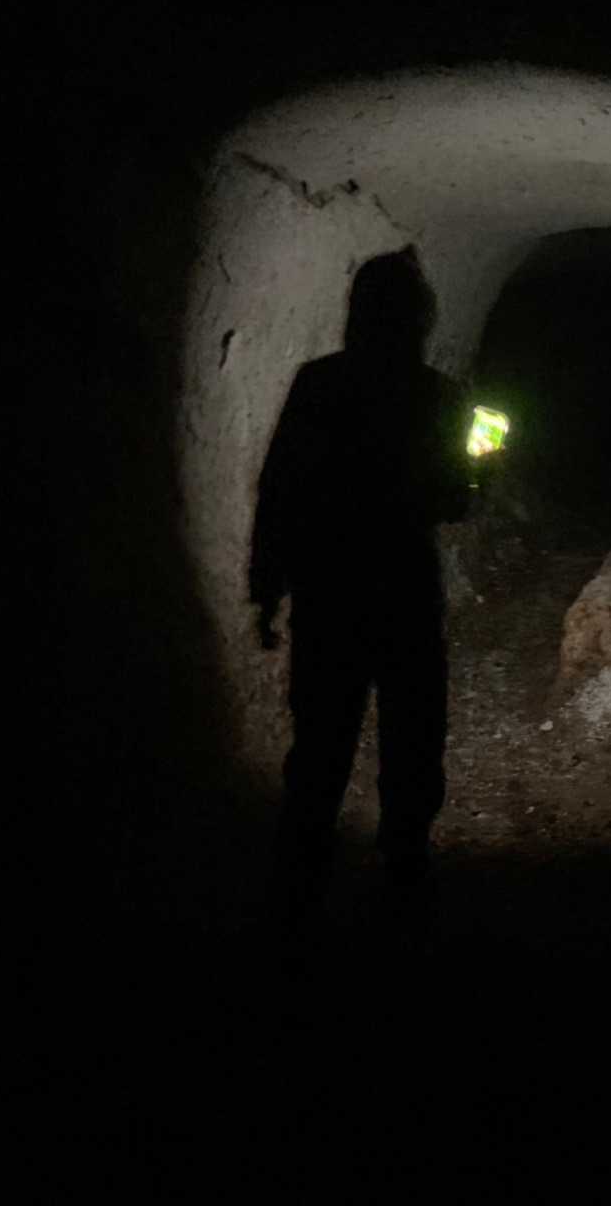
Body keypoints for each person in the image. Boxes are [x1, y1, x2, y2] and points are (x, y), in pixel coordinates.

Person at [249, 246, 471, 933]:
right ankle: (403, 873)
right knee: (412, 738)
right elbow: (453, 502)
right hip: (404, 590)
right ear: (420, 319)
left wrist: (267, 585)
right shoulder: (439, 395)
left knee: (321, 742)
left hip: (330, 591)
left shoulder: (319, 383)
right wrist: (477, 474)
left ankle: (296, 891)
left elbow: (279, 486)